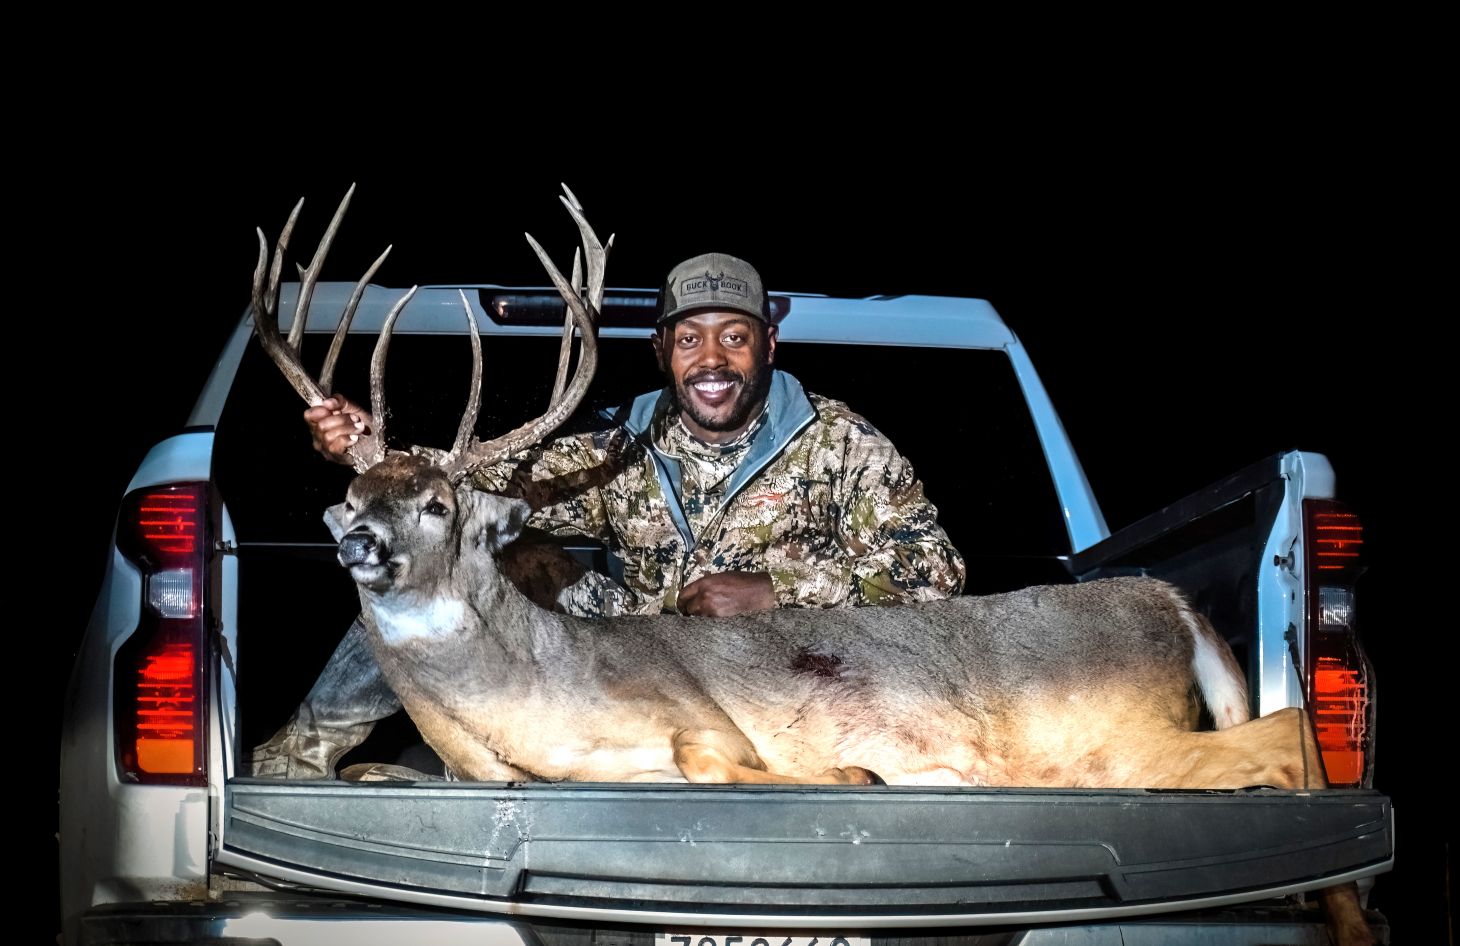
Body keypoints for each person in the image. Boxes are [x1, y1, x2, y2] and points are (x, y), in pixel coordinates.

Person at [251, 252, 965, 777]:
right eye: (690, 338)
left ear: (767, 346)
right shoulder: (621, 446)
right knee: (446, 551)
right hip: (640, 660)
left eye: (734, 336)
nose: (711, 358)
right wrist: (372, 448)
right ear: (662, 351)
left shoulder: (842, 443)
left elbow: (936, 572)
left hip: (787, 679)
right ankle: (306, 755)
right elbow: (474, 487)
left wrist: (781, 594)